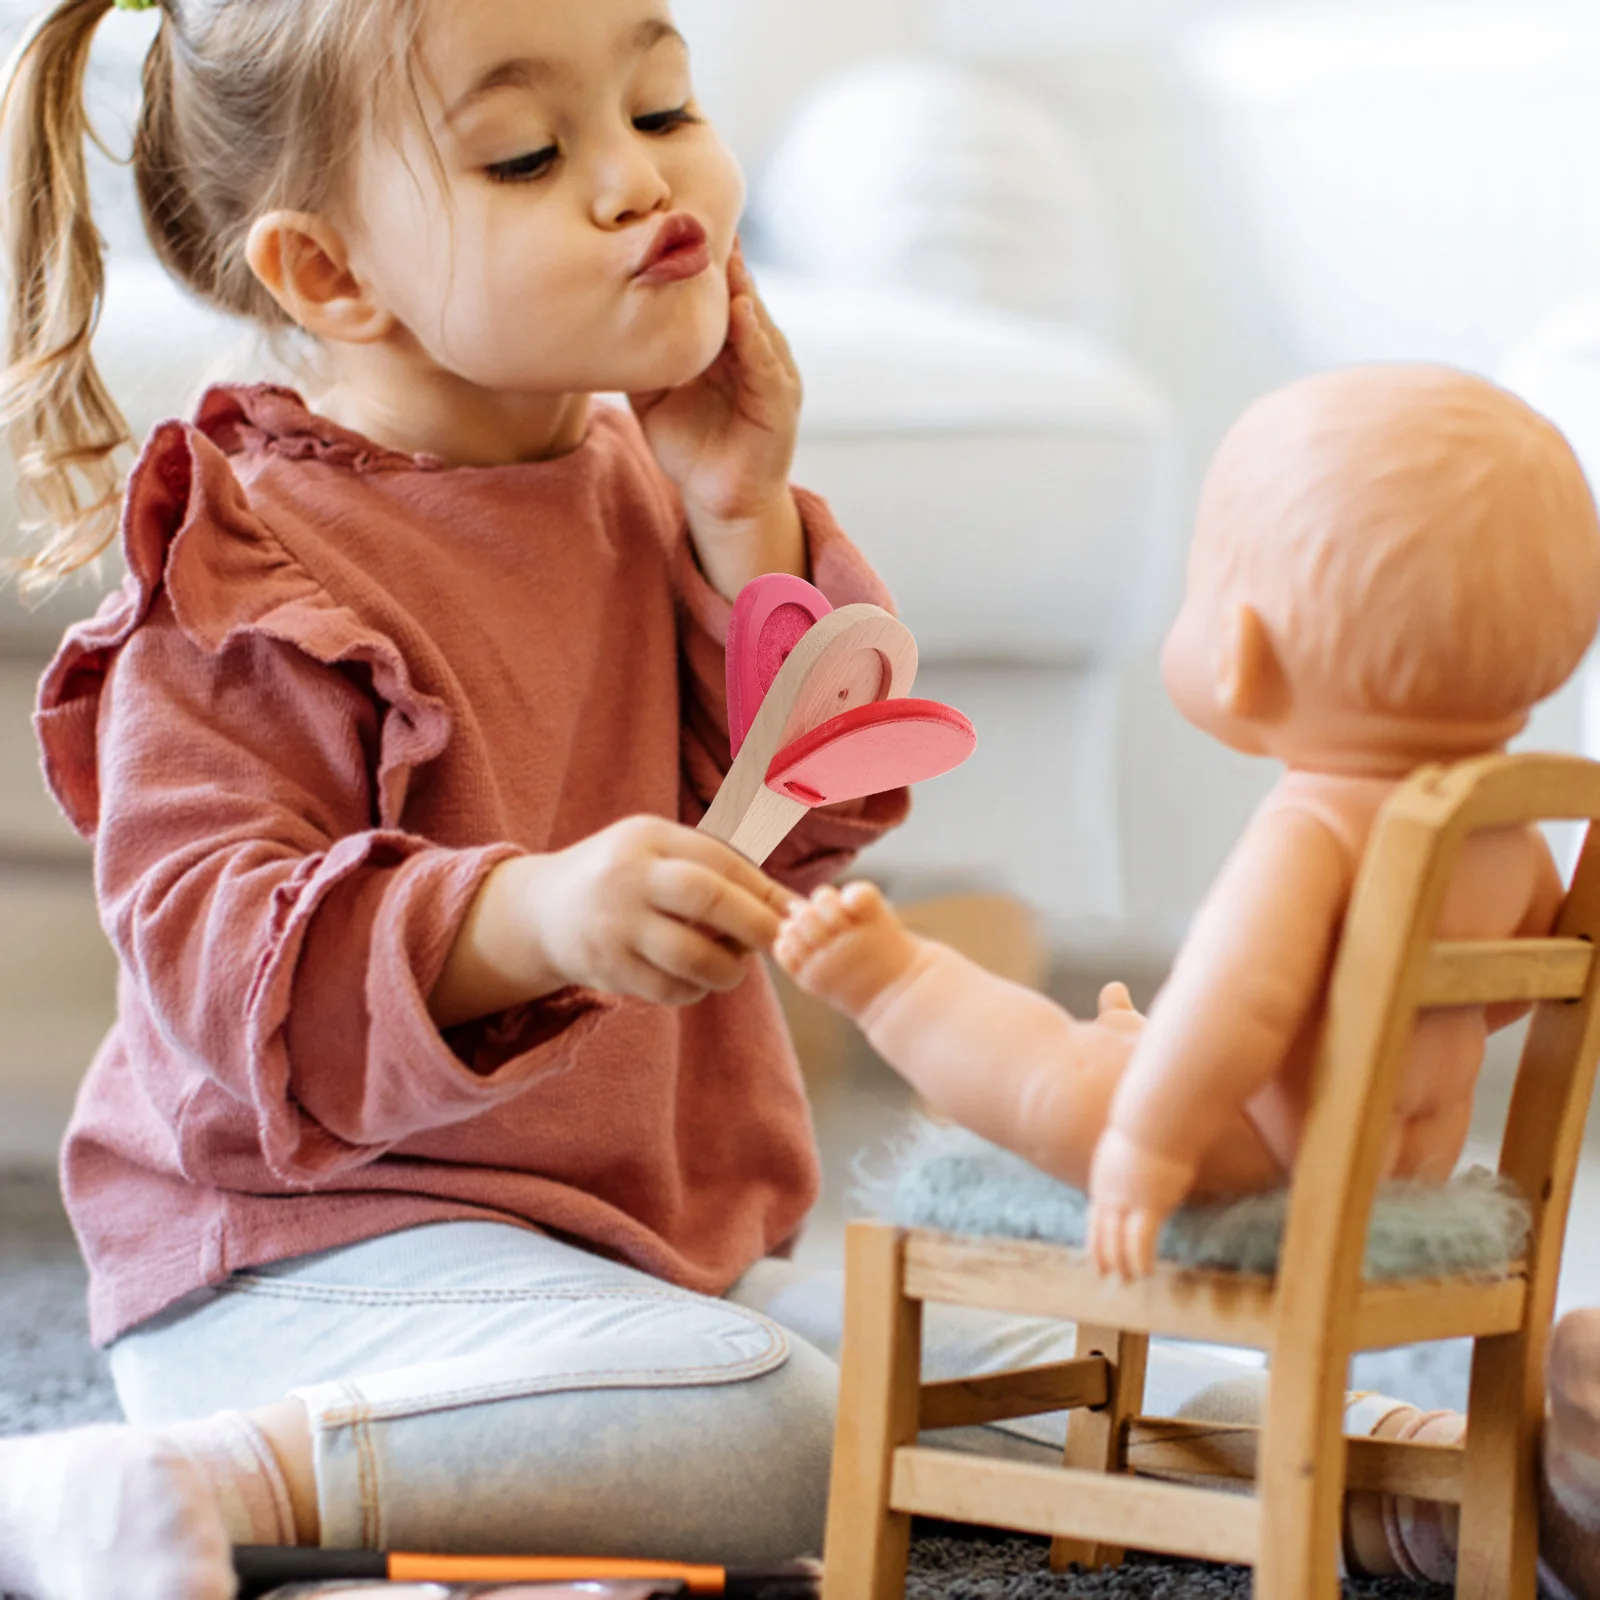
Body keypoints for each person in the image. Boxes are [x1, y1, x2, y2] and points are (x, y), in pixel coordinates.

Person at [0, 0, 1485, 1591]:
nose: (643, 185)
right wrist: (532, 913)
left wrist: (741, 513)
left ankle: (1430, 1485)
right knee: (780, 1425)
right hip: (309, 1279)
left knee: (1011, 1333)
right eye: (526, 153)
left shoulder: (655, 487)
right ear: (329, 276)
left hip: (655, 1270)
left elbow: (823, 812)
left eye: (662, 107)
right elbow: (218, 964)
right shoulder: (245, 563)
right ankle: (162, 1486)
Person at [775, 365, 1600, 1596]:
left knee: (1062, 1081)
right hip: (1395, 1171)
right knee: (1127, 1049)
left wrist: (1146, 1147)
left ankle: (891, 977)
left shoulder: (1312, 831)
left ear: (1246, 648)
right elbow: (1499, 999)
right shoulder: (1509, 824)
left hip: (1245, 1159)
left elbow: (1234, 1005)